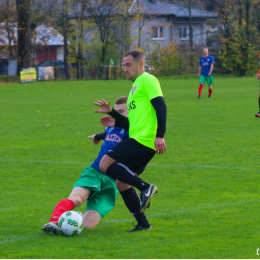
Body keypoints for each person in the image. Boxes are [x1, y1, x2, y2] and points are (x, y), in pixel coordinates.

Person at [93, 49, 167, 232]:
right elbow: (131, 124)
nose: (125, 69)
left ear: (140, 64)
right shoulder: (135, 87)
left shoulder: (147, 80)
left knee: (105, 163)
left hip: (145, 139)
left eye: (128, 65)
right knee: (122, 183)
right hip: (140, 137)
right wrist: (111, 113)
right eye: (123, 65)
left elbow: (161, 106)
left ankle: (146, 187)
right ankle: (143, 224)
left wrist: (160, 135)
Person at [41, 96, 130, 234]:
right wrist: (97, 137)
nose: (117, 115)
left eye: (122, 112)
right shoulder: (111, 127)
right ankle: (53, 222)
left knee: (86, 226)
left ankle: (70, 220)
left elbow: (130, 126)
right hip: (95, 172)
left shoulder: (134, 129)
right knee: (76, 199)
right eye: (116, 111)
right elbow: (106, 134)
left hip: (113, 182)